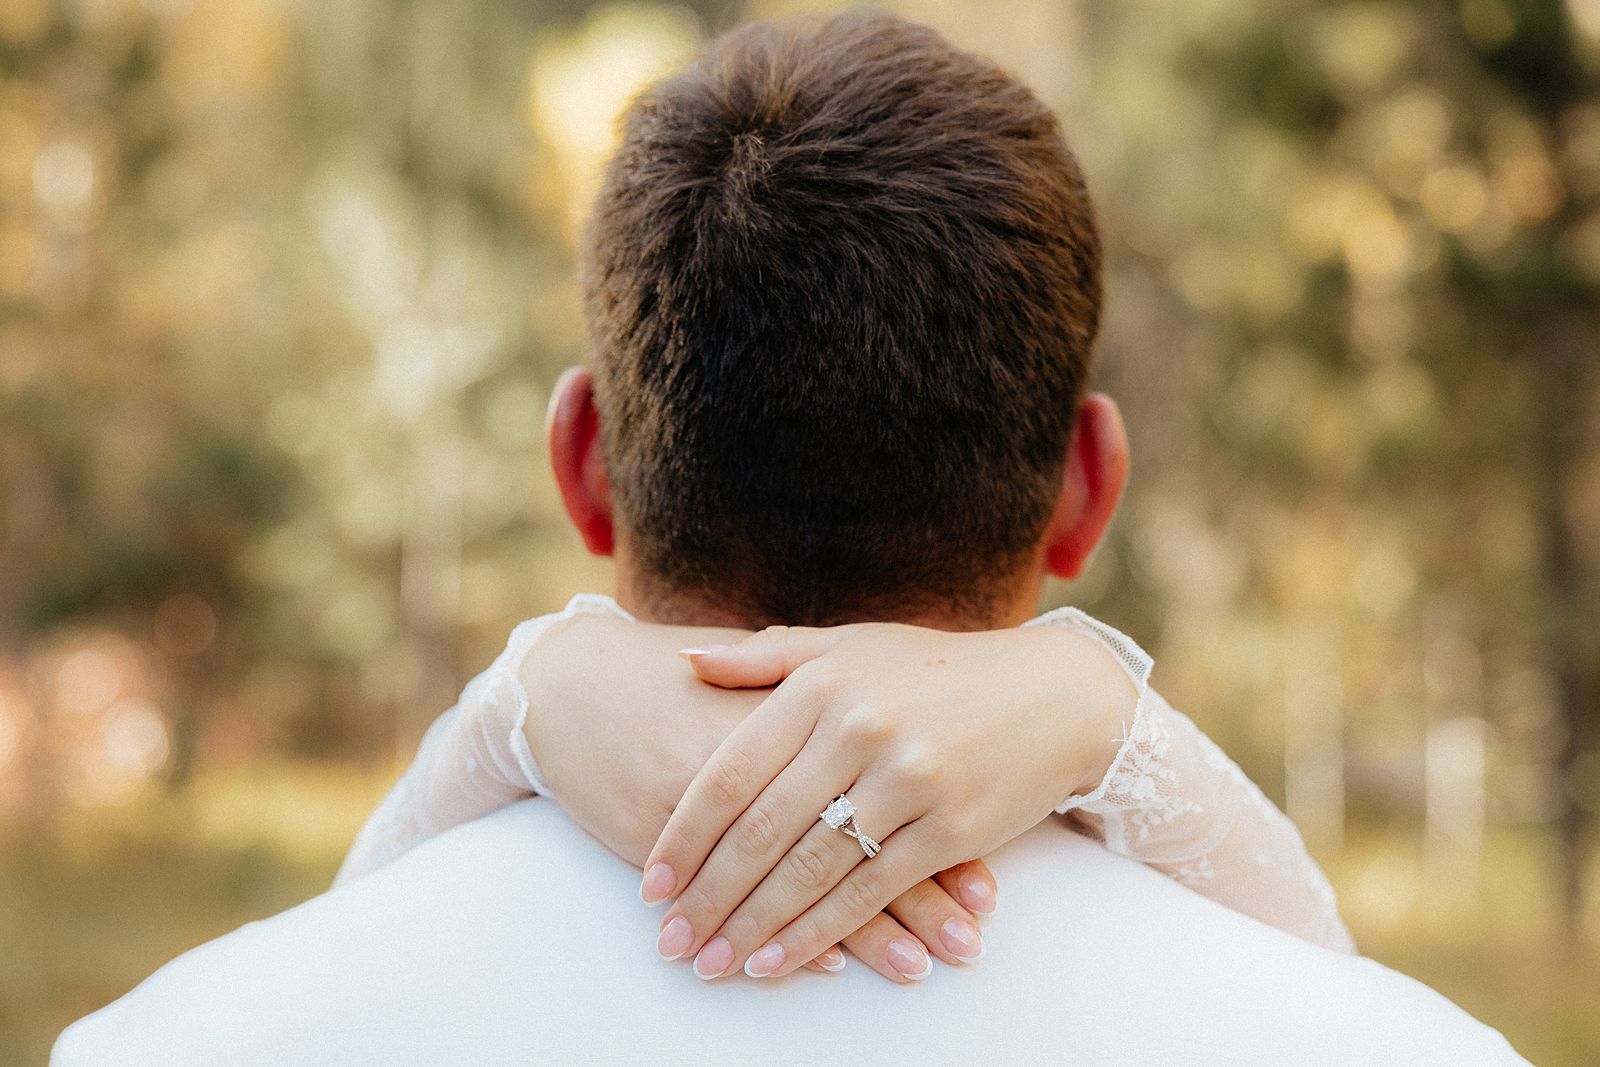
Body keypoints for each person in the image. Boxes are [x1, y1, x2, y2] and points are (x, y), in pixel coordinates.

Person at [53, 9, 1524, 1063]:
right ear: (1089, 487)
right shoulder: (1377, 1043)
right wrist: (1109, 710)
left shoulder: (181, 1040)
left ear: (583, 464)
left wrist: (517, 697)